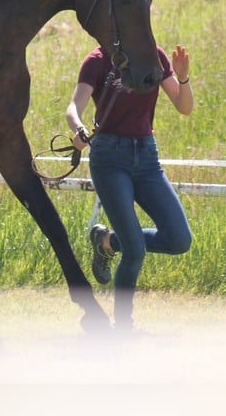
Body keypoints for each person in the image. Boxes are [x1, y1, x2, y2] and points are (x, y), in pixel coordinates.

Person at [66, 44, 194, 331]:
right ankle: (124, 327)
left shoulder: (154, 55)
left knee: (179, 240)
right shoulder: (96, 61)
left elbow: (184, 106)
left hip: (147, 156)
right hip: (110, 158)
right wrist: (78, 129)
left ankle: (107, 242)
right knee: (135, 250)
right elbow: (74, 107)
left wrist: (183, 78)